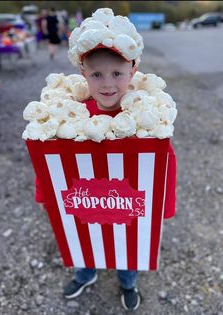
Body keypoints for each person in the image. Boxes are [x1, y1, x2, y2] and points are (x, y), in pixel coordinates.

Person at [35, 8, 177, 311]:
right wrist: (45, 192)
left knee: (129, 242)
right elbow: (49, 154)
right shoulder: (69, 117)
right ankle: (86, 273)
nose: (108, 83)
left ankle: (128, 280)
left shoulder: (145, 119)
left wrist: (164, 205)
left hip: (130, 207)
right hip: (84, 203)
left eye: (117, 73)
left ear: (133, 70)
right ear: (83, 73)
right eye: (97, 74)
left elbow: (165, 160)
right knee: (86, 237)